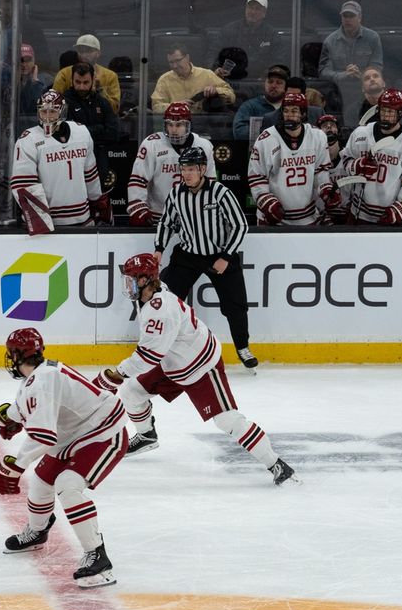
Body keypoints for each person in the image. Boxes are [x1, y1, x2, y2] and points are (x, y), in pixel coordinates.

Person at [98, 253, 297, 485]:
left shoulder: (160, 310)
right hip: (173, 361)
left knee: (227, 420)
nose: (127, 284)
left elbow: (148, 356)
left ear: (145, 280)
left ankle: (276, 464)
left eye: (131, 279)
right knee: (132, 392)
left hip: (201, 365)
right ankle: (146, 435)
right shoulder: (151, 293)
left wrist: (116, 374)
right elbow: (155, 351)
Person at [0, 327, 128, 588]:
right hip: (75, 434)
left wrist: (15, 465)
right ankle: (38, 531)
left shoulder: (40, 382)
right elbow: (25, 407)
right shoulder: (37, 378)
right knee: (42, 481)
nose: (10, 359)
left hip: (104, 432)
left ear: (20, 355)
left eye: (12, 354)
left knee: (68, 484)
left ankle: (98, 556)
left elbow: (44, 436)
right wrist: (9, 416)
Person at [155, 146, 256, 369]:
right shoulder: (176, 194)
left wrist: (226, 256)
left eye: (191, 169)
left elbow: (240, 225)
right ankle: (161, 347)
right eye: (184, 169)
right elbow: (166, 223)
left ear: (202, 169)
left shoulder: (220, 192)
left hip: (219, 256)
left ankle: (242, 347)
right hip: (187, 256)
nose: (187, 173)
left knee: (236, 306)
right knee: (166, 301)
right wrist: (159, 248)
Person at [11, 89, 109, 235]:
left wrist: (97, 202)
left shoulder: (81, 132)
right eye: (43, 112)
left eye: (53, 111)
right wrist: (40, 220)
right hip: (50, 225)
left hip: (82, 218)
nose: (48, 116)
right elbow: (23, 183)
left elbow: (90, 172)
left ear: (62, 111)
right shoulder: (28, 139)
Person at [247, 92, 336, 226]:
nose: (289, 115)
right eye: (286, 111)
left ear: (304, 114)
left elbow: (321, 171)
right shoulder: (266, 139)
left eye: (294, 111)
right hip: (275, 219)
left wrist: (326, 189)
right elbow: (257, 177)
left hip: (309, 217)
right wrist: (266, 201)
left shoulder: (317, 136)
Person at [337, 88, 402, 224]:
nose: (386, 116)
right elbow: (346, 160)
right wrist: (357, 166)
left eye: (390, 112)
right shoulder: (361, 133)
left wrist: (398, 211)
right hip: (358, 213)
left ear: (400, 113)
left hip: (388, 217)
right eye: (383, 110)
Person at [126, 101, 216, 226]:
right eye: (169, 124)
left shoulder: (204, 146)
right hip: (159, 217)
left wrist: (207, 211)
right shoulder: (152, 144)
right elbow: (138, 180)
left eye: (179, 125)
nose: (173, 130)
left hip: (193, 217)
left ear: (188, 125)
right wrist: (138, 208)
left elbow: (210, 184)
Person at [318, 1, 383, 127]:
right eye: (345, 16)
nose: (348, 19)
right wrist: (343, 74)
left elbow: (377, 66)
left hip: (365, 91)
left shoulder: (373, 38)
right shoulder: (330, 41)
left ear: (360, 17)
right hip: (340, 92)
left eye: (351, 16)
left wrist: (362, 74)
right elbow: (323, 72)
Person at [62, 62, 119, 177]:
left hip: (98, 157)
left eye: (86, 82)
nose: (82, 87)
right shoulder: (64, 102)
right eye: (78, 82)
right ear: (72, 80)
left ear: (93, 80)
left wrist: (81, 131)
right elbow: (66, 134)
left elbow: (113, 133)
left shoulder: (102, 102)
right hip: (71, 158)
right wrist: (99, 128)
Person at [213, 0, 282, 81]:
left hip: (261, 82)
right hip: (230, 80)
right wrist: (215, 69)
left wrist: (269, 74)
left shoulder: (272, 34)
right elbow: (214, 53)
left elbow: (279, 60)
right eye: (250, 7)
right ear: (245, 9)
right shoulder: (228, 30)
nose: (253, 12)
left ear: (264, 13)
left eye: (257, 9)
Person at [150, 43, 234, 114]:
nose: (174, 66)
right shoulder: (164, 79)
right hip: (176, 125)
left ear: (187, 57)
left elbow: (231, 96)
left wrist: (216, 91)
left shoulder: (206, 74)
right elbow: (156, 107)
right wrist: (176, 106)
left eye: (178, 60)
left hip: (203, 124)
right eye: (171, 62)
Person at [52, 34, 119, 111]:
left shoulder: (110, 76)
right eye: (80, 50)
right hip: (72, 120)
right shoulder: (64, 74)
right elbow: (54, 105)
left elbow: (115, 108)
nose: (84, 54)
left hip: (100, 121)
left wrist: (100, 91)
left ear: (98, 53)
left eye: (88, 50)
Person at [231, 64, 288, 141]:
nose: (274, 85)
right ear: (264, 84)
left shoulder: (290, 107)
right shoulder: (250, 106)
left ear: (285, 87)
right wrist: (269, 132)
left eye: (279, 82)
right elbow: (239, 133)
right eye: (270, 81)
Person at [316, 114, 350, 223]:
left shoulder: (348, 156)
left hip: (347, 215)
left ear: (339, 130)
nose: (329, 127)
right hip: (322, 217)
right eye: (325, 125)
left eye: (332, 125)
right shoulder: (313, 159)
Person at [16, 43, 51, 132]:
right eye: (21, 60)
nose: (24, 64)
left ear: (34, 61)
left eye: (28, 60)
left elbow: (42, 106)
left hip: (37, 128)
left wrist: (35, 83)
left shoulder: (46, 80)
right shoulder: (9, 82)